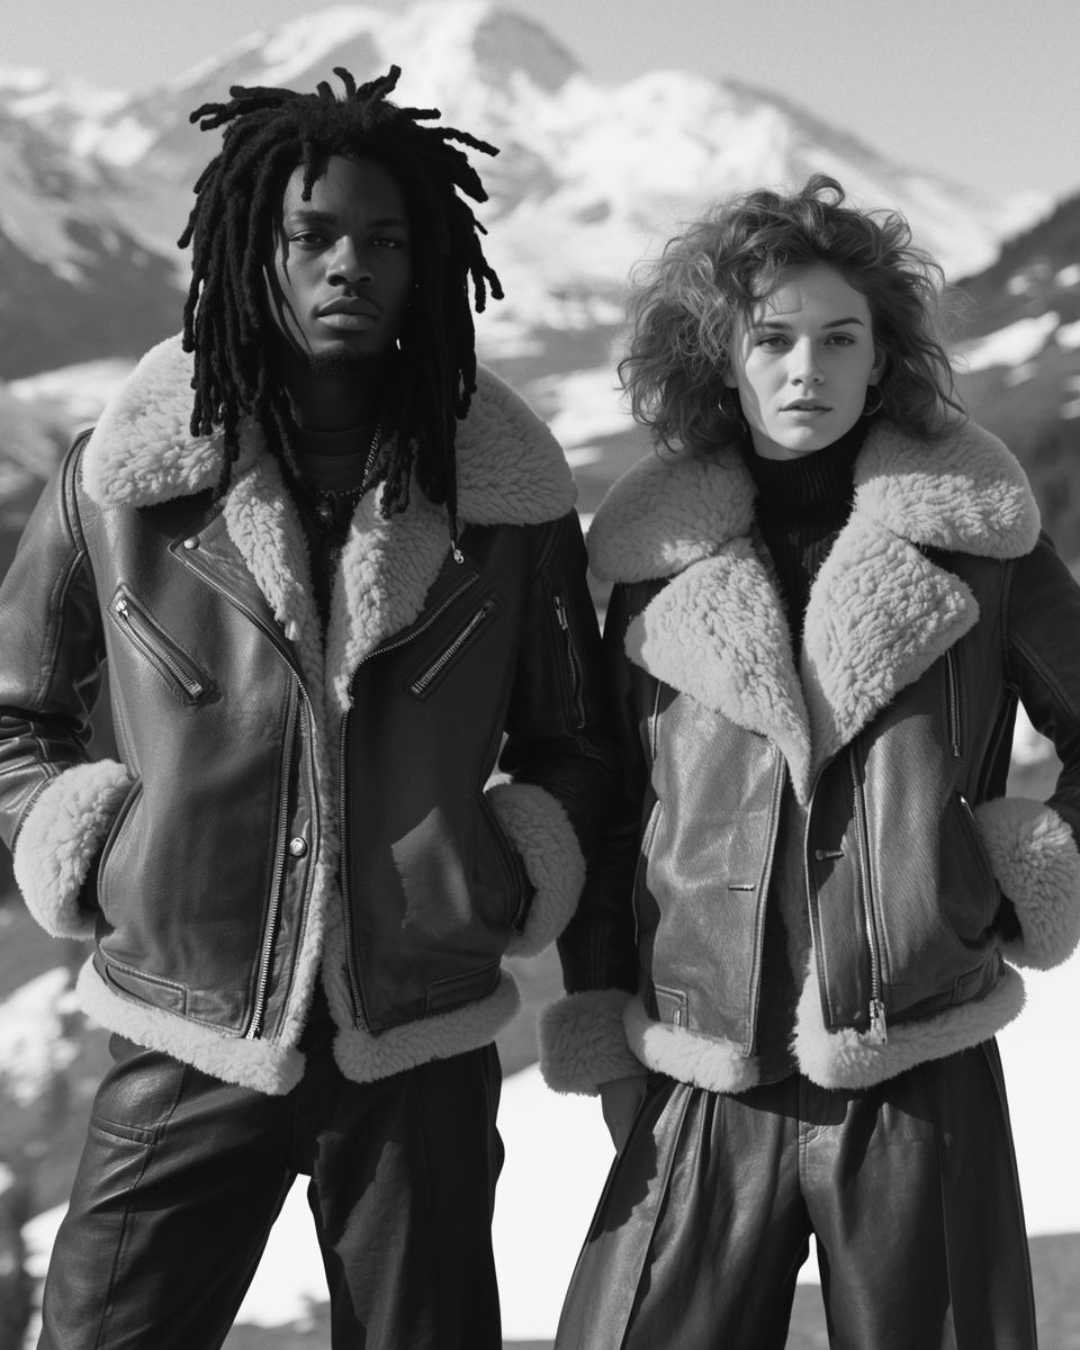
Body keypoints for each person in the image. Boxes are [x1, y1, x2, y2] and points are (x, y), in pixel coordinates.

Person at [0, 66, 615, 1350]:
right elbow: (13, 711)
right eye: (314, 234)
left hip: (420, 1043)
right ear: (251, 252)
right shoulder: (120, 480)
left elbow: (575, 740)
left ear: (429, 263)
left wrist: (512, 868)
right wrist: (92, 848)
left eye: (387, 240)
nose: (352, 265)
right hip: (185, 1025)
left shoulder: (510, 501)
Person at [540, 175, 1080, 1349]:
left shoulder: (980, 540)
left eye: (841, 339)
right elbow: (612, 807)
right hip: (697, 1070)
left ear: (882, 360)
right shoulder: (650, 562)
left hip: (917, 1060)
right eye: (772, 339)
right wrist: (603, 1025)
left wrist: (1021, 873)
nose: (806, 370)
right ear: (720, 358)